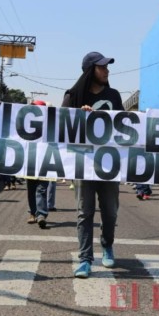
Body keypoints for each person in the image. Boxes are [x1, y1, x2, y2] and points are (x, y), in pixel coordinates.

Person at [62, 51, 123, 278]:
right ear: (90, 70)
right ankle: (85, 259)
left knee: (110, 212)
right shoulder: (73, 96)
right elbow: (60, 127)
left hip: (109, 165)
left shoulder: (114, 95)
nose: (107, 71)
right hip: (83, 164)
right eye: (102, 67)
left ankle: (107, 244)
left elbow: (124, 129)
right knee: (84, 213)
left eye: (107, 67)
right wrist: (79, 116)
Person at [26, 100, 51, 229]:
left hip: (46, 162)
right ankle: (32, 213)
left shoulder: (51, 127)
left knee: (41, 189)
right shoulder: (27, 125)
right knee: (31, 189)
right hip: (30, 161)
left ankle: (41, 215)